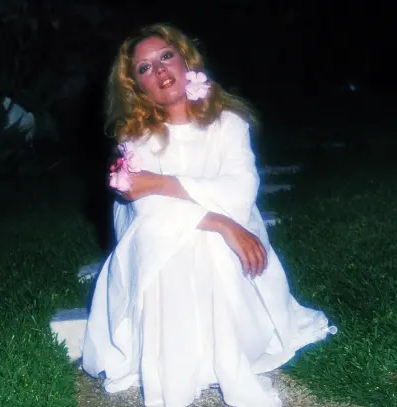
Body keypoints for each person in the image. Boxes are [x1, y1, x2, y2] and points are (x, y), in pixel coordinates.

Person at [81, 23, 337, 407]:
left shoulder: (228, 122)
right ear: (137, 87)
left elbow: (240, 190)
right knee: (180, 236)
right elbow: (147, 209)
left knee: (211, 243)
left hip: (231, 224)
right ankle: (177, 365)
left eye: (166, 56)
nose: (160, 70)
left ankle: (225, 357)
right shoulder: (135, 137)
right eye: (144, 68)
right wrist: (219, 222)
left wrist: (159, 182)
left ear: (186, 60)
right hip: (155, 239)